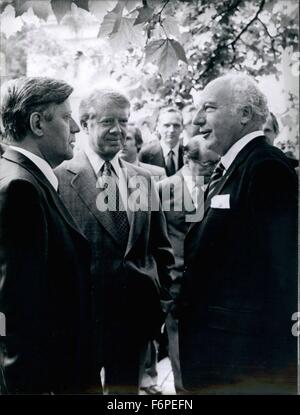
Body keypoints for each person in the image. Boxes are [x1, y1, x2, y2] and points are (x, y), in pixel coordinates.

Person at [177, 73, 298, 394]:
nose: (197, 119)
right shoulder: (233, 166)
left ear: (245, 114)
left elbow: (286, 263)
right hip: (221, 349)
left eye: (209, 108)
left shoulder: (265, 166)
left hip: (243, 357)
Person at [55, 88, 174, 395]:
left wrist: (161, 299)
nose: (118, 130)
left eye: (123, 121)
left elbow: (160, 247)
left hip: (133, 319)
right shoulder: (58, 179)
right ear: (85, 123)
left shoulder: (143, 179)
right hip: (81, 323)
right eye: (108, 121)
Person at [0, 77, 93, 394]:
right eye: (67, 117)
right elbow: (18, 307)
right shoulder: (20, 187)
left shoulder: (26, 178)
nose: (77, 128)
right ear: (37, 123)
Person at [158, 136, 219, 393]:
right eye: (207, 164)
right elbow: (153, 236)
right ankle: (183, 393)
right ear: (187, 159)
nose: (213, 169)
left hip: (210, 282)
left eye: (216, 163)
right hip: (176, 281)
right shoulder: (162, 189)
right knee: (178, 341)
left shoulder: (219, 186)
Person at [139, 107, 184, 177]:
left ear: (182, 128)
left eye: (176, 125)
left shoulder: (189, 154)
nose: (171, 130)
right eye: (167, 125)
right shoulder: (145, 154)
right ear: (158, 127)